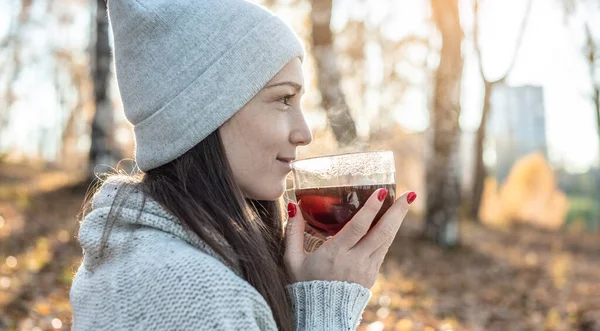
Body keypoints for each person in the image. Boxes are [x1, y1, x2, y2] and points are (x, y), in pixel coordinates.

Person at [69, 0, 417, 330]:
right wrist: (325, 311)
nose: (305, 133)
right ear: (203, 112)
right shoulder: (197, 296)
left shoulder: (146, 253)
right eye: (283, 99)